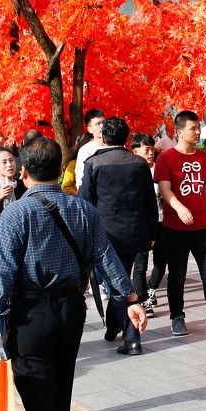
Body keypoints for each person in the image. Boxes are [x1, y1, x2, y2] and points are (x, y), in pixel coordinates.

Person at [0, 137, 145, 411]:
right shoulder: (84, 209)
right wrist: (131, 300)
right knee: (58, 394)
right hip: (71, 310)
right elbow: (106, 258)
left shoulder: (16, 213)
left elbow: (3, 272)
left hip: (29, 315)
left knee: (40, 400)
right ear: (60, 170)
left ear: (24, 172)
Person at [153, 110, 206, 339]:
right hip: (174, 228)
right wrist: (179, 208)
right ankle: (177, 317)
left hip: (202, 227)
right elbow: (165, 189)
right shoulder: (165, 158)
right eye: (193, 128)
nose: (198, 132)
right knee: (177, 275)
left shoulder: (203, 157)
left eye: (198, 127)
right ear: (180, 132)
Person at [80, 117, 157, 355]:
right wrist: (152, 231)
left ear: (103, 138)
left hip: (106, 234)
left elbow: (86, 202)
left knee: (117, 282)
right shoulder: (139, 163)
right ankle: (113, 327)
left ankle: (132, 337)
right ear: (126, 137)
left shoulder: (93, 163)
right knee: (119, 278)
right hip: (134, 232)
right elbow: (149, 201)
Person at [129, 133, 165, 315]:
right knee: (140, 264)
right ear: (135, 151)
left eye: (152, 149)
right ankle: (143, 299)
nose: (151, 153)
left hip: (161, 220)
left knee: (161, 260)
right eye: (146, 149)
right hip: (142, 223)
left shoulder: (160, 168)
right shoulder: (131, 171)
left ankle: (152, 288)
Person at [73, 109, 107, 191]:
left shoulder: (116, 146)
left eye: (104, 122)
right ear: (89, 129)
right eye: (98, 124)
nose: (102, 126)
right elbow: (80, 180)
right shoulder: (85, 150)